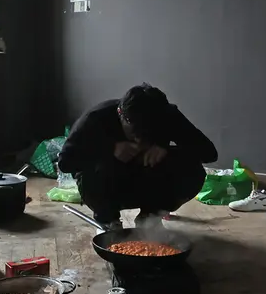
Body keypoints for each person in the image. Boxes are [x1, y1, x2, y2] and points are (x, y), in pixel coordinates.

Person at [58, 84, 217, 232]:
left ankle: (150, 217)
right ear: (121, 115)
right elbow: (65, 163)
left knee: (192, 169)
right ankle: (108, 221)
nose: (140, 141)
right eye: (135, 134)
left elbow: (209, 153)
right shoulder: (95, 118)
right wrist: (110, 150)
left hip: (149, 184)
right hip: (108, 186)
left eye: (148, 136)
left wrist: (164, 149)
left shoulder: (167, 115)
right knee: (92, 171)